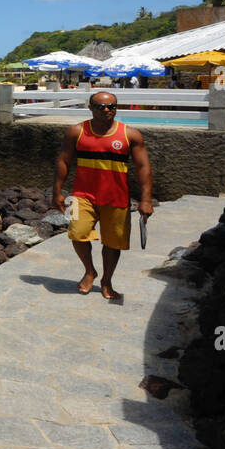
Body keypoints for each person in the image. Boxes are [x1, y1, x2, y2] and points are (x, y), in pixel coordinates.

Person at [51, 92, 153, 301]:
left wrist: (146, 200)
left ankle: (106, 280)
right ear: (90, 108)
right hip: (80, 195)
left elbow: (143, 168)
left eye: (111, 106)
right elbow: (63, 161)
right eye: (100, 107)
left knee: (113, 243)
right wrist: (57, 191)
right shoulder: (76, 131)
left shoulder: (130, 134)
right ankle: (90, 271)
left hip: (117, 197)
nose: (107, 110)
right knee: (76, 233)